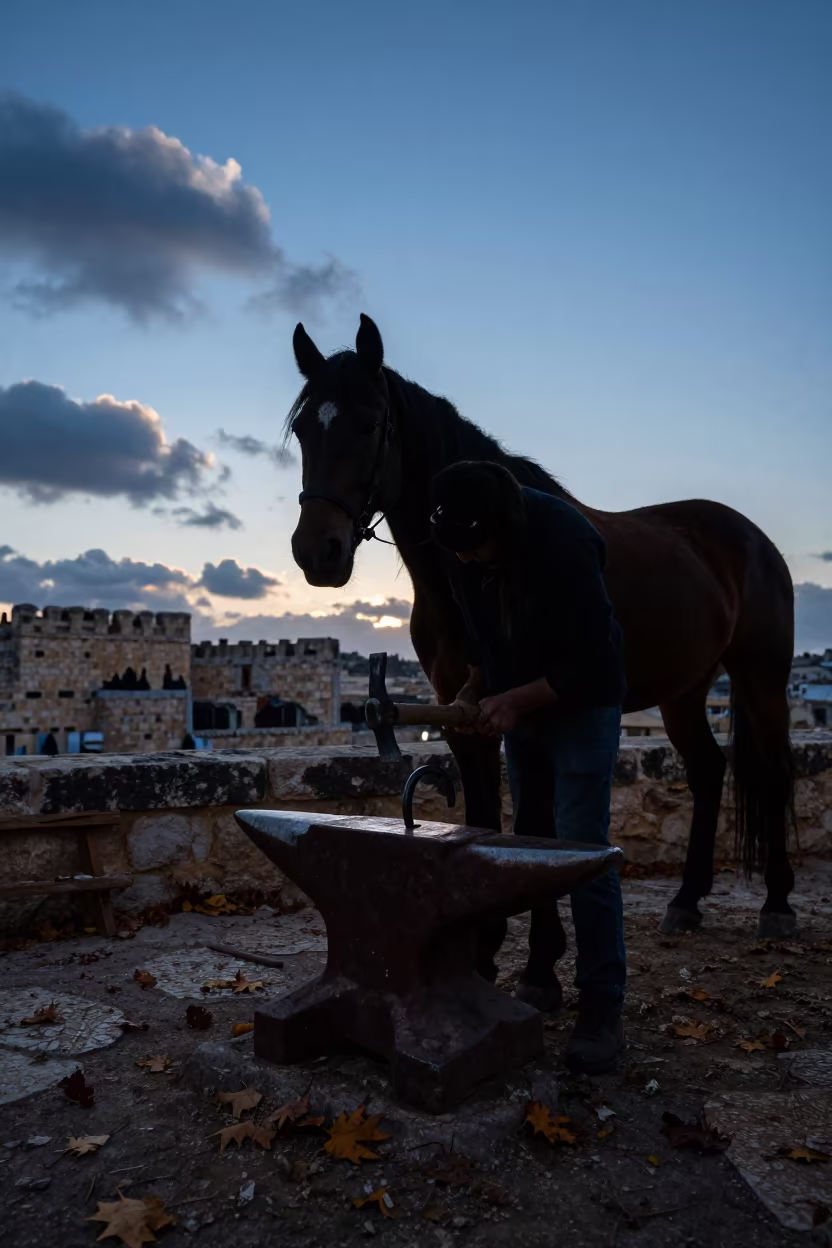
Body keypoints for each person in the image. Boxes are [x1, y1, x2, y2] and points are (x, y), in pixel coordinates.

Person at [430, 460, 627, 1074]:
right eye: (453, 550)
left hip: (583, 706)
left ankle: (602, 1010)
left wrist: (517, 700)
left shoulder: (566, 542)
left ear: (503, 527)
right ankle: (541, 974)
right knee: (532, 845)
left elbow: (598, 661)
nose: (462, 562)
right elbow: (482, 634)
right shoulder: (458, 544)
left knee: (582, 854)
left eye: (473, 549)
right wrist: (477, 688)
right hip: (522, 712)